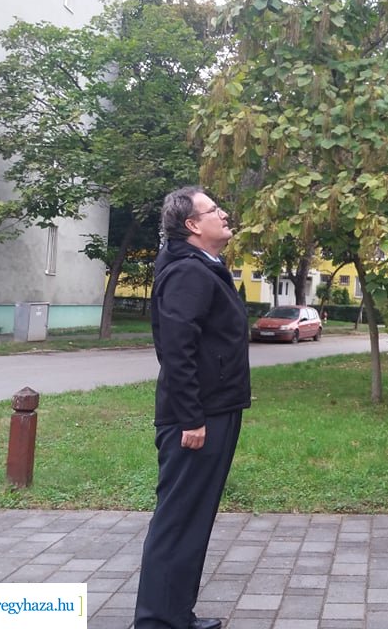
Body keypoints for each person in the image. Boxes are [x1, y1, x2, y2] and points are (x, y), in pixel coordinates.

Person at [135, 187, 251, 629]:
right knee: (179, 520)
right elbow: (176, 349)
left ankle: (174, 615)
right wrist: (192, 418)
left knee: (192, 520)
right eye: (213, 210)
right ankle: (156, 621)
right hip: (197, 417)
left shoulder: (203, 266)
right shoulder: (188, 271)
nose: (223, 214)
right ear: (192, 225)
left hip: (213, 408)